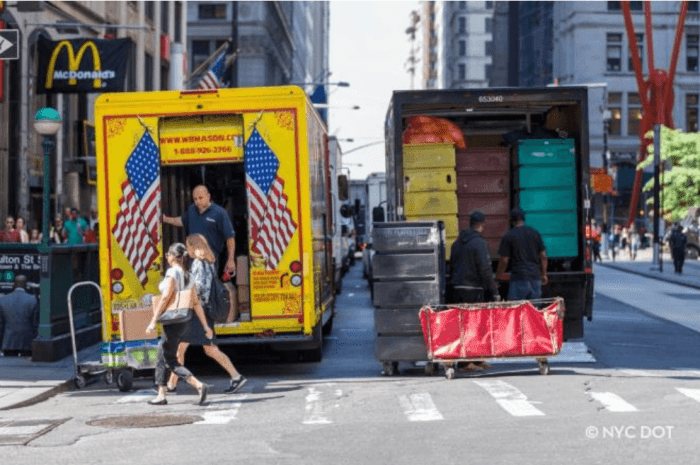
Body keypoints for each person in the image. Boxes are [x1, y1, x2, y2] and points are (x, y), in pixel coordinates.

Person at [167, 234, 247, 394]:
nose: (186, 250)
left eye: (188, 246)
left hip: (198, 313)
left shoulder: (199, 263)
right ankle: (171, 385)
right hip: (202, 312)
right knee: (196, 348)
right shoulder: (208, 262)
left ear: (194, 247)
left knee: (185, 348)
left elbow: (200, 289)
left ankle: (236, 376)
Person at [146, 243, 212, 406]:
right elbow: (196, 303)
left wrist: (153, 320)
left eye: (168, 253)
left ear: (174, 257)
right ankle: (161, 393)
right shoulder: (188, 275)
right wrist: (205, 326)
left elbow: (166, 297)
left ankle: (198, 385)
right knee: (163, 356)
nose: (166, 256)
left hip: (172, 321)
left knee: (169, 360)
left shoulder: (172, 272)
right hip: (185, 321)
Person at [163, 185, 236, 277]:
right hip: (193, 259)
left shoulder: (220, 213)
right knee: (195, 286)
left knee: (206, 288)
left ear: (208, 196)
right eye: (195, 199)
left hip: (211, 259)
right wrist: (166, 219)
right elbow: (182, 221)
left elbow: (230, 237)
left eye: (200, 198)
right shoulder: (192, 210)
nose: (198, 201)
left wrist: (231, 259)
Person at [495, 208, 548, 301]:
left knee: (517, 312)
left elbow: (504, 260)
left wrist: (498, 276)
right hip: (535, 278)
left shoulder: (508, 236)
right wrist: (544, 274)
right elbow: (543, 256)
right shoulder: (535, 233)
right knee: (534, 311)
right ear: (523, 219)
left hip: (518, 279)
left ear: (511, 220)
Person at [448, 210, 500, 303]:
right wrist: (494, 292)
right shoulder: (480, 243)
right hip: (474, 291)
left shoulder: (456, 243)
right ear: (481, 224)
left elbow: (451, 267)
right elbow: (485, 269)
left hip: (456, 290)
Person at [0, 275, 39, 357]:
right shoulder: (32, 300)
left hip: (8, 340)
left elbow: (1, 323)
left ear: (14, 284)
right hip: (26, 340)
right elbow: (35, 323)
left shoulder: (3, 300)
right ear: (25, 285)